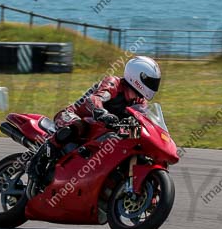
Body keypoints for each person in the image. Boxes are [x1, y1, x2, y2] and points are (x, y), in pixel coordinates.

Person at [28, 56, 162, 186]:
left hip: (101, 130)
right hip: (73, 115)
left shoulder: (139, 101)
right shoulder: (114, 84)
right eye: (151, 81)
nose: (154, 85)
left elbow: (143, 121)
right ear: (139, 77)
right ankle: (38, 161)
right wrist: (102, 112)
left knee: (136, 139)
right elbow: (94, 99)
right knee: (76, 127)